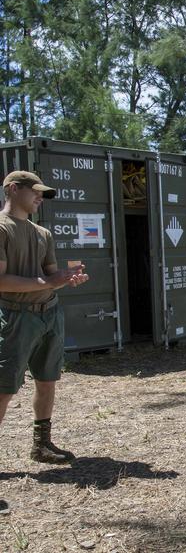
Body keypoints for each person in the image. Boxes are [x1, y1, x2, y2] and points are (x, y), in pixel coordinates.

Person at [0, 171, 90, 514]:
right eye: (35, 192)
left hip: (49, 314)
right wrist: (49, 279)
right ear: (13, 189)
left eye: (43, 194)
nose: (40, 197)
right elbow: (1, 281)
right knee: (4, 388)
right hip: (15, 316)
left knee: (48, 380)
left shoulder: (43, 233)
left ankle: (42, 445)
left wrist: (67, 279)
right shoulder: (1, 228)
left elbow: (51, 274)